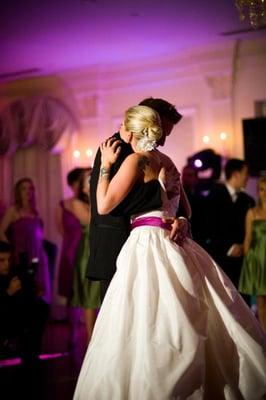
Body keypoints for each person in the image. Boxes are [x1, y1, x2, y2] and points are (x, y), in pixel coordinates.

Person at [74, 106, 266, 400]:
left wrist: (106, 166)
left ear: (133, 131)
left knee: (143, 315)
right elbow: (185, 210)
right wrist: (183, 220)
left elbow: (103, 205)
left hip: (146, 241)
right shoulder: (168, 161)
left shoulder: (136, 160)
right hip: (176, 241)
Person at [88, 97, 190, 301]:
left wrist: (180, 219)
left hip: (153, 245)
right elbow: (108, 206)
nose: (161, 140)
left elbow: (182, 207)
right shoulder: (114, 149)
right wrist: (160, 193)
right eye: (160, 130)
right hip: (117, 247)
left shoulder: (153, 157)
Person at [56, 168, 100, 345]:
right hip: (87, 253)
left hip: (103, 250)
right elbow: (92, 221)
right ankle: (90, 340)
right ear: (82, 187)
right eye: (90, 179)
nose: (94, 180)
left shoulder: (101, 199)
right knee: (89, 296)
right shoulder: (76, 203)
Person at [206, 159, 255, 301]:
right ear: (235, 174)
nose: (248, 177)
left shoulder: (248, 201)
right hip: (220, 261)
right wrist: (227, 247)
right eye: (246, 173)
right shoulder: (213, 196)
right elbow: (207, 229)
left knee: (243, 303)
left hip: (243, 263)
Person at [0, 177, 51, 304]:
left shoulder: (35, 212)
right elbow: (0, 231)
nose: (27, 191)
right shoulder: (13, 210)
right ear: (18, 191)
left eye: (30, 188)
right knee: (26, 291)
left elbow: (39, 236)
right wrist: (11, 248)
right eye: (23, 188)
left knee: (40, 291)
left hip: (38, 255)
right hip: (22, 255)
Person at [0, 241, 49, 365]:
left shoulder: (12, 272)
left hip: (15, 316)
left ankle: (31, 354)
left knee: (40, 306)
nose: (7, 264)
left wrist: (35, 291)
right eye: (2, 260)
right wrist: (8, 292)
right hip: (5, 318)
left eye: (9, 259)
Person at [239, 176, 266, 330]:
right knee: (261, 300)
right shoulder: (252, 212)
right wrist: (247, 263)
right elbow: (248, 238)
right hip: (258, 259)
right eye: (262, 189)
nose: (265, 193)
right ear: (258, 192)